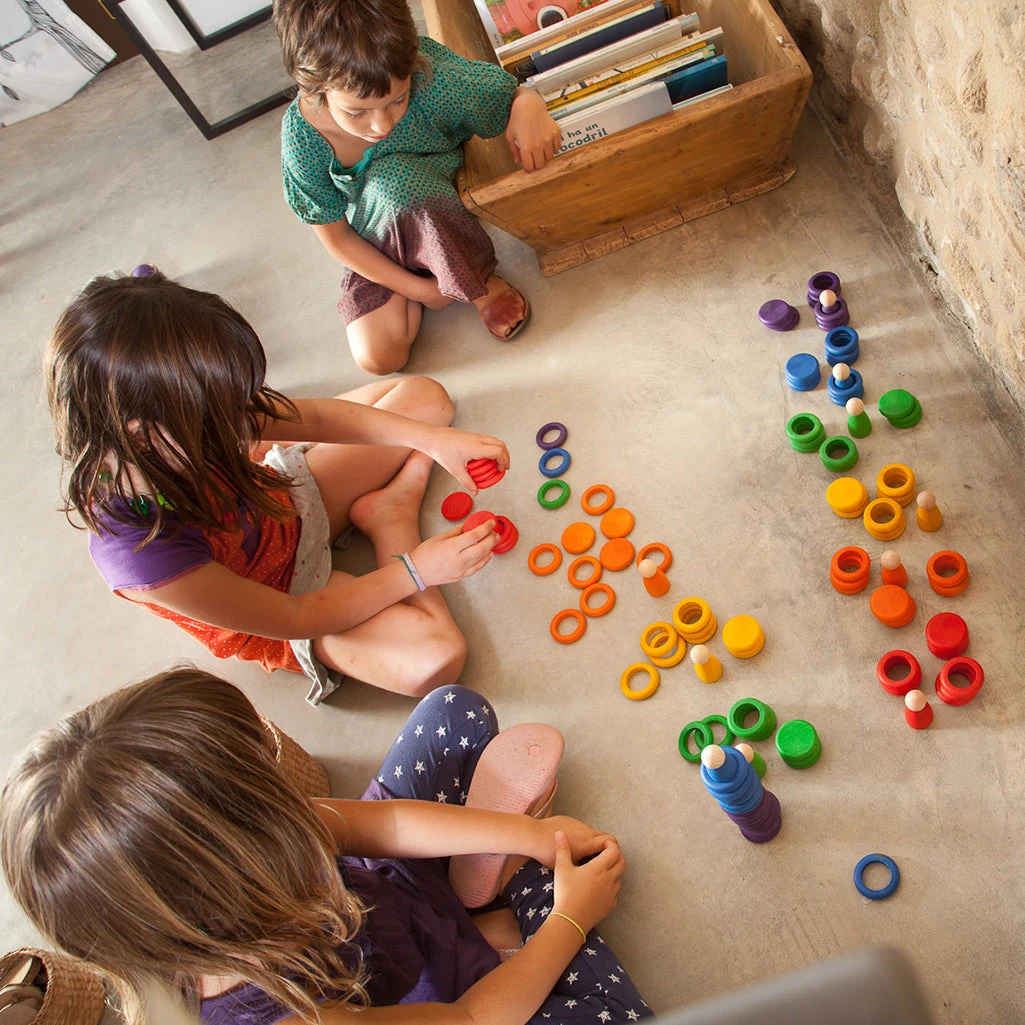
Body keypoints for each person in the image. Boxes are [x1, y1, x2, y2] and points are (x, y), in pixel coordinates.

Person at [0, 668, 653, 1025]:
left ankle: (475, 909)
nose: (277, 756)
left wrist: (532, 834)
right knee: (607, 1013)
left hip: (381, 899)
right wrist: (568, 917)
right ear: (242, 858)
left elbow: (387, 826)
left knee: (453, 711)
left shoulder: (232, 855)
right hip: (426, 999)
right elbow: (472, 1016)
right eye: (262, 778)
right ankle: (496, 924)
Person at [45, 270, 509, 705]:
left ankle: (386, 505)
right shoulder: (139, 550)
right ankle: (393, 519)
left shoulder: (184, 411)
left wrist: (435, 442)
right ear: (143, 433)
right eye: (225, 417)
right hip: (287, 597)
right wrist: (416, 568)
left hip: (284, 504)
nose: (241, 419)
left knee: (425, 402)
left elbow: (317, 417)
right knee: (436, 660)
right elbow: (297, 617)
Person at [274, 0, 562, 375]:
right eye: (357, 112)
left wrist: (529, 106)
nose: (381, 125)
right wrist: (418, 290)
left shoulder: (435, 76)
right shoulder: (302, 139)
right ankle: (430, 269)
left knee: (396, 187)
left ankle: (474, 280)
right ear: (313, 88)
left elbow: (511, 93)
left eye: (398, 100)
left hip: (422, 196)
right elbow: (338, 238)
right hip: (373, 230)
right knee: (379, 359)